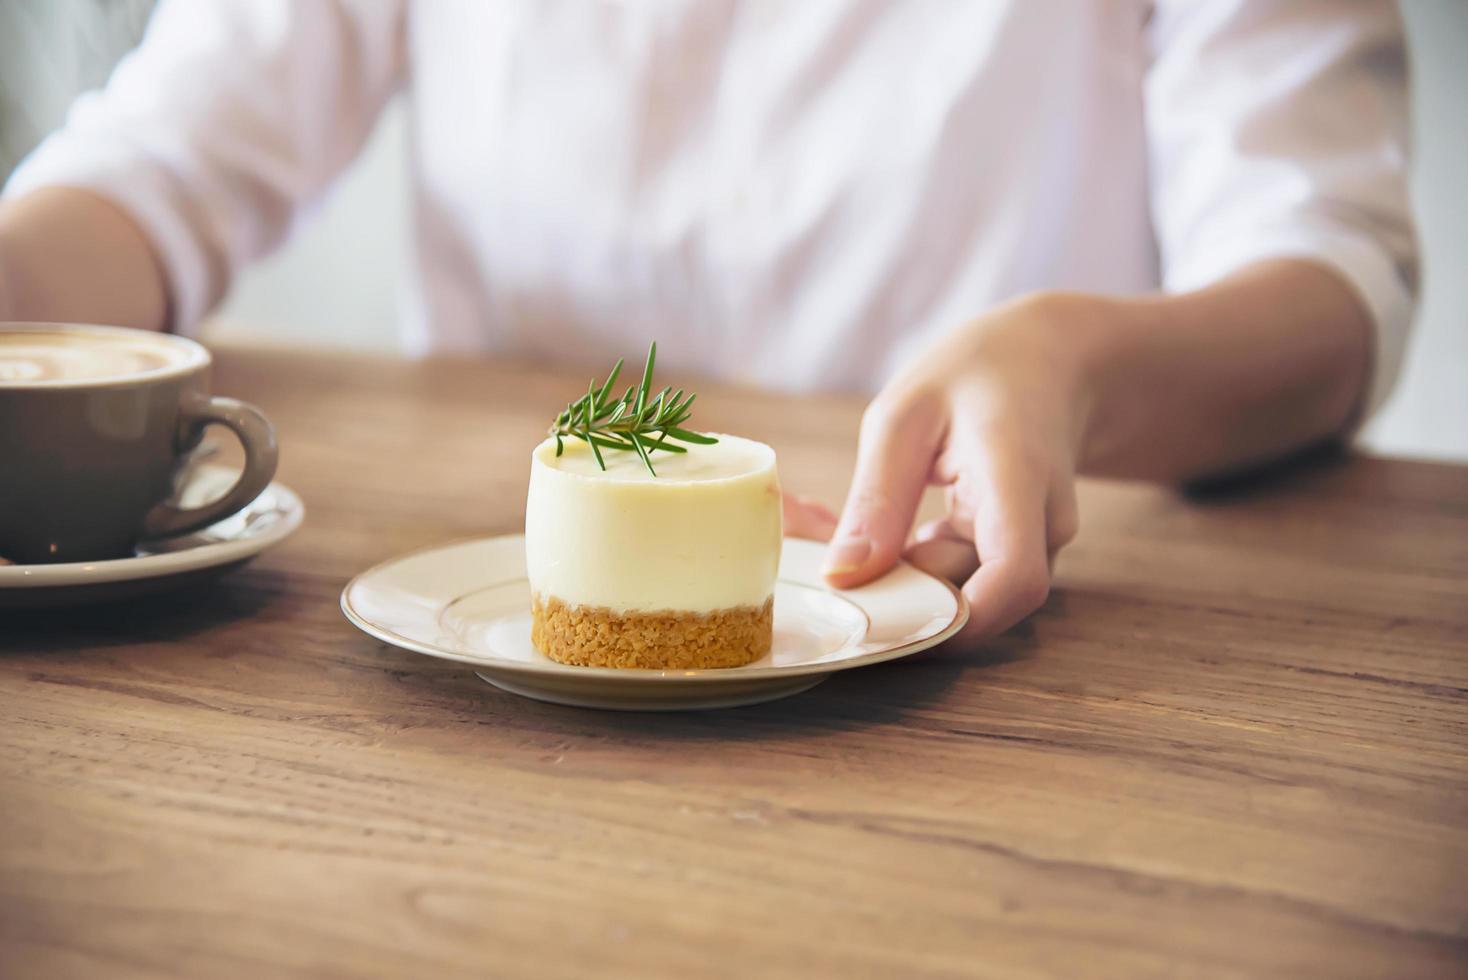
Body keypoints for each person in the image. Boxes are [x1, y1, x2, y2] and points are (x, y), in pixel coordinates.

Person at [0, 1, 1416, 640]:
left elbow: (1330, 274)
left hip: (983, 650)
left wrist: (1076, 363)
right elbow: (160, 165)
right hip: (487, 642)